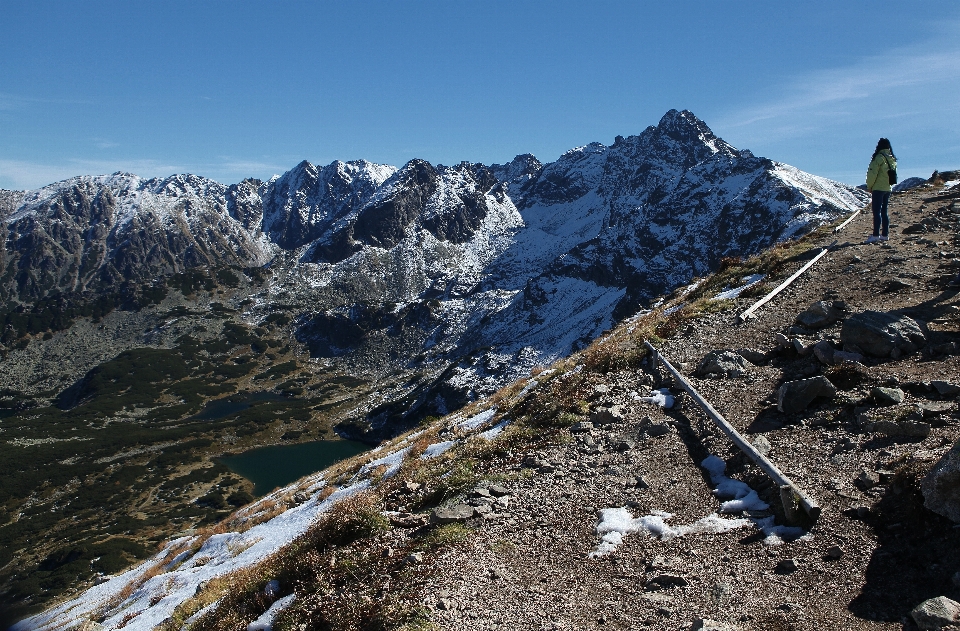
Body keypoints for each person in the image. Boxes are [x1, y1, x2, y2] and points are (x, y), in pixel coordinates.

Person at [865, 138, 897, 243]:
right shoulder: (892, 159)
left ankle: (875, 235)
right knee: (884, 211)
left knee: (876, 212)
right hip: (888, 188)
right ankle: (885, 234)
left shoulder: (878, 158)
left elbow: (872, 174)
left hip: (878, 188)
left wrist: (869, 186)